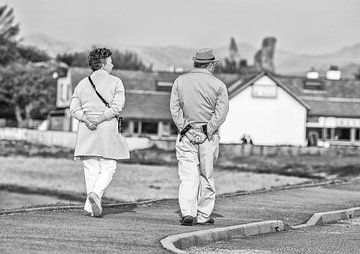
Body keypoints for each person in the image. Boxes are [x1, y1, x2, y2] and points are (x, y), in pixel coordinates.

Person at [170, 48, 229, 226]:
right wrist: (208, 130)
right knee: (206, 175)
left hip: (186, 135)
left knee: (188, 175)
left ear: (195, 62)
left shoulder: (180, 81)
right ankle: (203, 215)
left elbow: (175, 109)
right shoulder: (219, 85)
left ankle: (188, 212)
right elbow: (221, 112)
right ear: (211, 65)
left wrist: (186, 129)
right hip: (208, 137)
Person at [70, 48, 129, 217]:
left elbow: (74, 110)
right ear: (103, 64)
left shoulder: (82, 83)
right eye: (110, 62)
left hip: (86, 131)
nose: (113, 65)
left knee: (91, 169)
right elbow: (117, 107)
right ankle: (95, 196)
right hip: (107, 129)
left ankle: (91, 207)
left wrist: (88, 119)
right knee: (109, 166)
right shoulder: (116, 82)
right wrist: (100, 118)